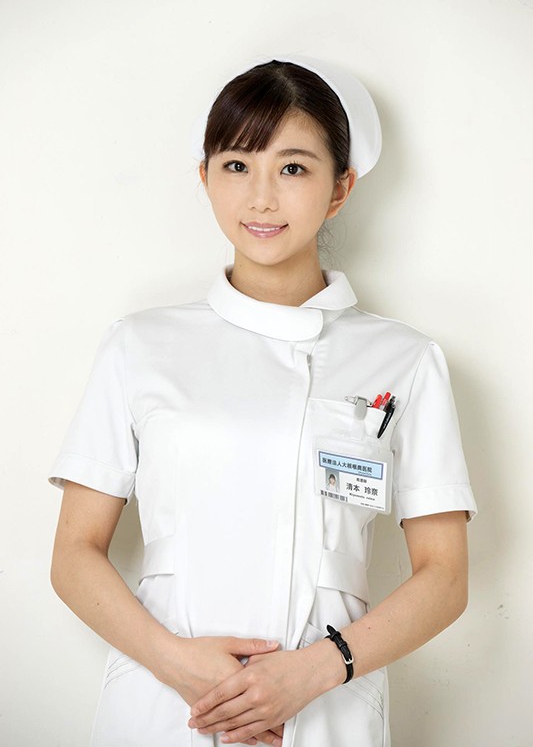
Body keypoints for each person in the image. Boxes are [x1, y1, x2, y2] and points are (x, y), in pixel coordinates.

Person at [48, 55, 477, 747]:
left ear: (340, 189)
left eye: (293, 168)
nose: (261, 199)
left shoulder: (404, 361)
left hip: (325, 706)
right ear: (205, 178)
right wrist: (179, 666)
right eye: (237, 166)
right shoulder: (140, 345)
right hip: (164, 705)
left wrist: (315, 671)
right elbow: (74, 553)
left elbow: (445, 578)